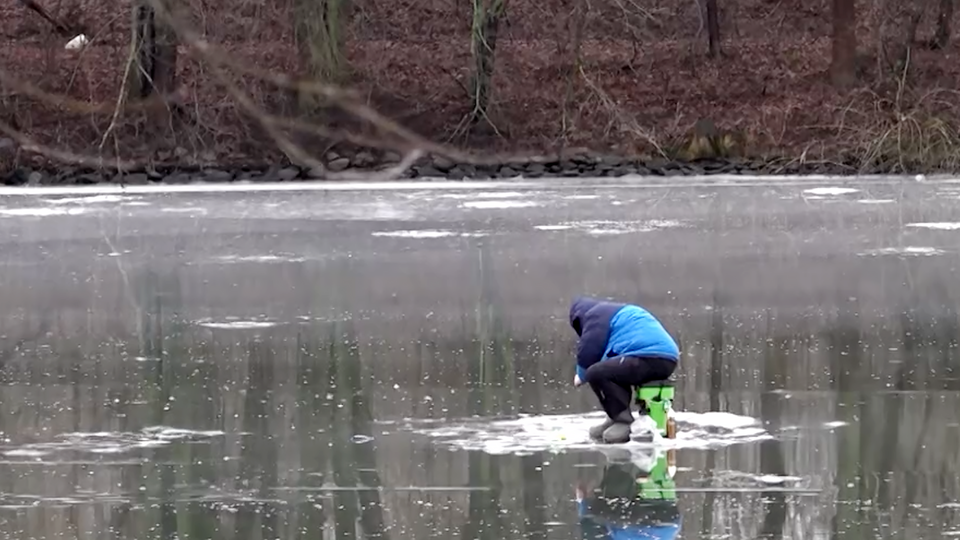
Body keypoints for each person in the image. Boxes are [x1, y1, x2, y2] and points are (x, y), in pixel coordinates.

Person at [569, 296, 679, 443]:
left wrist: (581, 375)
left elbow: (589, 350)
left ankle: (623, 421)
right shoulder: (614, 314)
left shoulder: (595, 315)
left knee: (596, 373)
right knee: (610, 371)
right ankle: (614, 418)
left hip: (649, 356)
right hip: (667, 359)